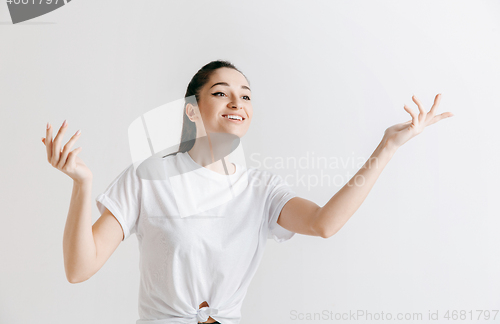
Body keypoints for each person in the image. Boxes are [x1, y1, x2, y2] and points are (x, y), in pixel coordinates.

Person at [42, 60, 454, 324]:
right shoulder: (148, 176)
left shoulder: (261, 188)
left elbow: (324, 224)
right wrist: (82, 185)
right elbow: (79, 268)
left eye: (246, 96)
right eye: (221, 92)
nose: (237, 102)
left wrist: (388, 147)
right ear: (192, 109)